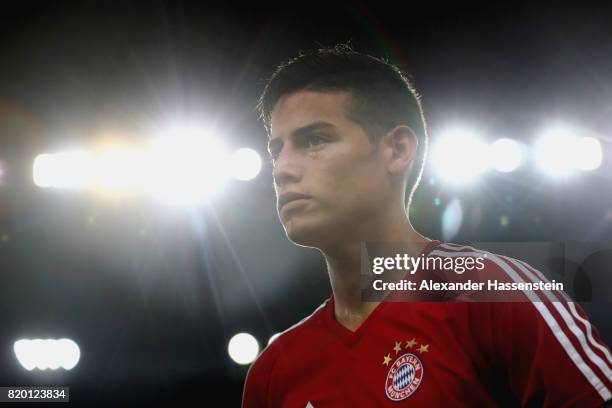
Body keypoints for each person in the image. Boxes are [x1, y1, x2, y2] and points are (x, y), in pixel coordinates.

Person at [242, 45, 612, 407]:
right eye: (277, 150)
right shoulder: (274, 371)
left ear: (398, 150)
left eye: (315, 140)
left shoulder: (490, 294)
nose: (282, 169)